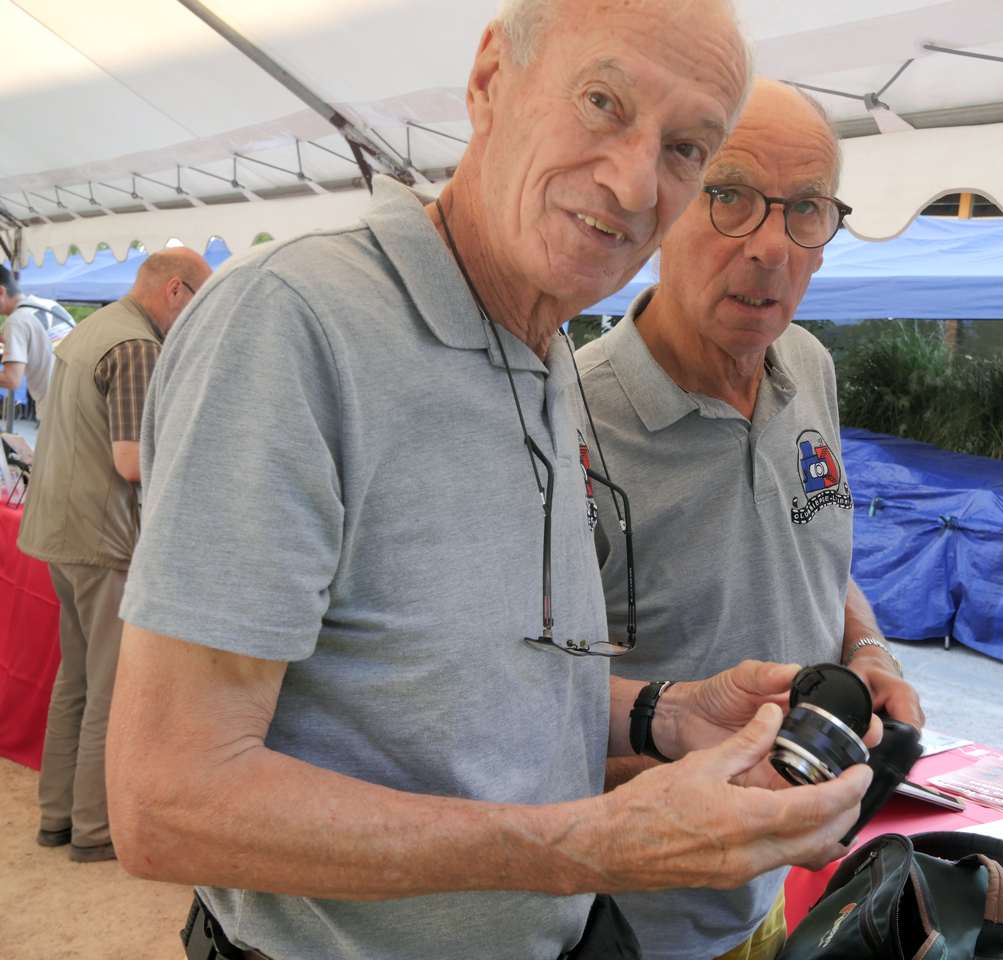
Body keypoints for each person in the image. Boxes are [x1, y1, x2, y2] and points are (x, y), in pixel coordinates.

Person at [104, 3, 876, 958]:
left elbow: (464, 693)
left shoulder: (539, 345)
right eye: (603, 101)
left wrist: (663, 712)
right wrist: (583, 849)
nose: (635, 180)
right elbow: (168, 802)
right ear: (488, 84)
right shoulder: (295, 322)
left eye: (684, 148)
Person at [575, 79, 926, 960]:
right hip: (623, 926)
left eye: (805, 210)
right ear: (663, 204)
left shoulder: (807, 364)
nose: (771, 246)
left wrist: (867, 651)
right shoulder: (567, 425)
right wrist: (698, 775)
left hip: (766, 903)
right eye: (729, 197)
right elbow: (507, 726)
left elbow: (810, 547)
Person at [17, 248, 212, 863]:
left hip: (60, 533)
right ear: (176, 292)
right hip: (102, 539)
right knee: (106, 688)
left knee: (74, 682)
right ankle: (95, 829)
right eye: (196, 306)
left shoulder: (90, 331)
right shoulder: (138, 348)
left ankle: (59, 818)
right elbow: (131, 461)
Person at [0, 264, 75, 410]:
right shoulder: (50, 305)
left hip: (57, 411)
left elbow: (11, 380)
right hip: (82, 400)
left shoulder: (16, 321)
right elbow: (44, 342)